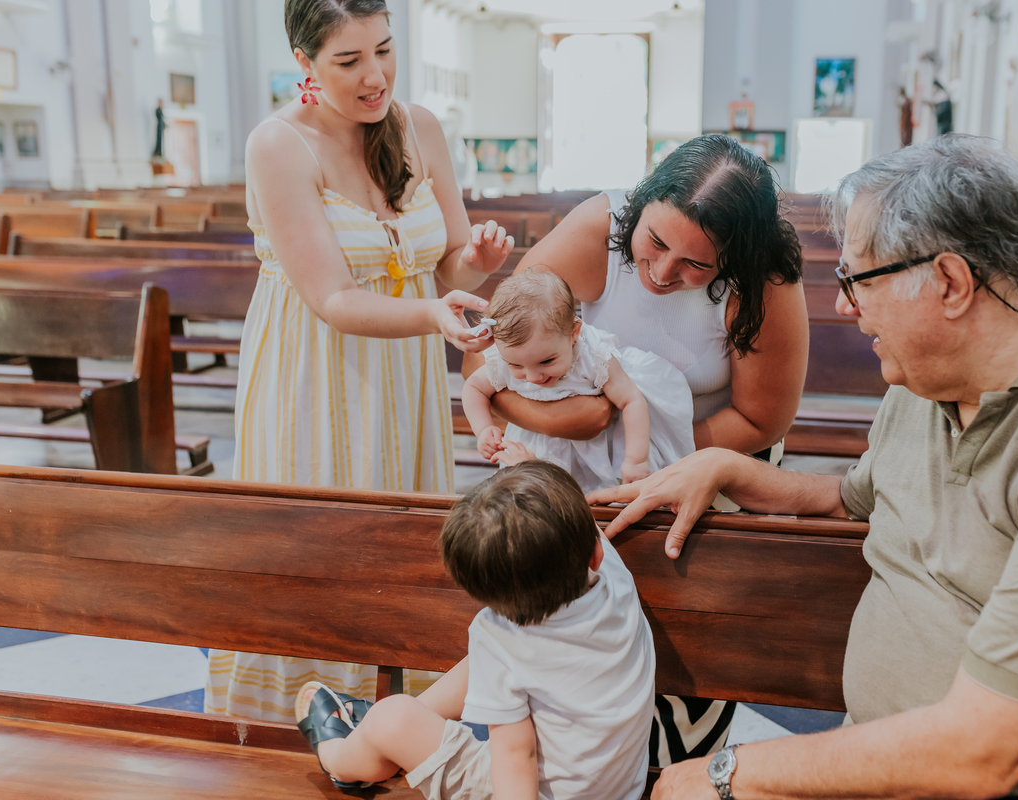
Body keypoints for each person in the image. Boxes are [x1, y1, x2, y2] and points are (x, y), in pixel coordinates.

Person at [591, 134, 1018, 799]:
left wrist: (729, 773)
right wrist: (726, 469)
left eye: (856, 278)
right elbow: (853, 498)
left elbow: (983, 752)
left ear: (951, 283)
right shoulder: (925, 385)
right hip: (887, 766)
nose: (844, 306)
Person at [206, 0, 513, 724]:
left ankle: (395, 725)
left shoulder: (421, 128)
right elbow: (333, 298)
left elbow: (447, 269)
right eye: (349, 61)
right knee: (322, 544)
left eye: (383, 49)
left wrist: (481, 261)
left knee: (401, 541)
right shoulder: (278, 145)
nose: (375, 76)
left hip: (401, 374)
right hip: (312, 375)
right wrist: (433, 315)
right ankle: (303, 720)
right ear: (304, 61)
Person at [463, 135, 810, 763]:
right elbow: (493, 346)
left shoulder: (765, 281)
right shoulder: (601, 228)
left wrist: (651, 447)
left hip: (705, 466)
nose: (663, 272)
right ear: (640, 205)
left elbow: (761, 417)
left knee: (680, 656)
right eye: (655, 242)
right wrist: (579, 424)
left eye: (697, 265)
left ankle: (672, 769)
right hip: (572, 467)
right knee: (564, 631)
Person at [294, 461, 656, 799]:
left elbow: (517, 757)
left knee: (393, 717)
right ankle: (380, 733)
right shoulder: (616, 582)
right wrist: (535, 475)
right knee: (491, 669)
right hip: (617, 789)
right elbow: (585, 531)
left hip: (530, 788)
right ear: (595, 555)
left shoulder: (496, 636)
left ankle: (342, 760)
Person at [462, 270, 695, 491]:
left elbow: (631, 400)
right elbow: (474, 388)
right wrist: (483, 428)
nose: (533, 377)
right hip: (536, 444)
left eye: (547, 362)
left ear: (574, 333)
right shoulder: (504, 359)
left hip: (597, 449)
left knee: (599, 497)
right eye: (516, 366)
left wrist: (635, 459)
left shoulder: (594, 356)